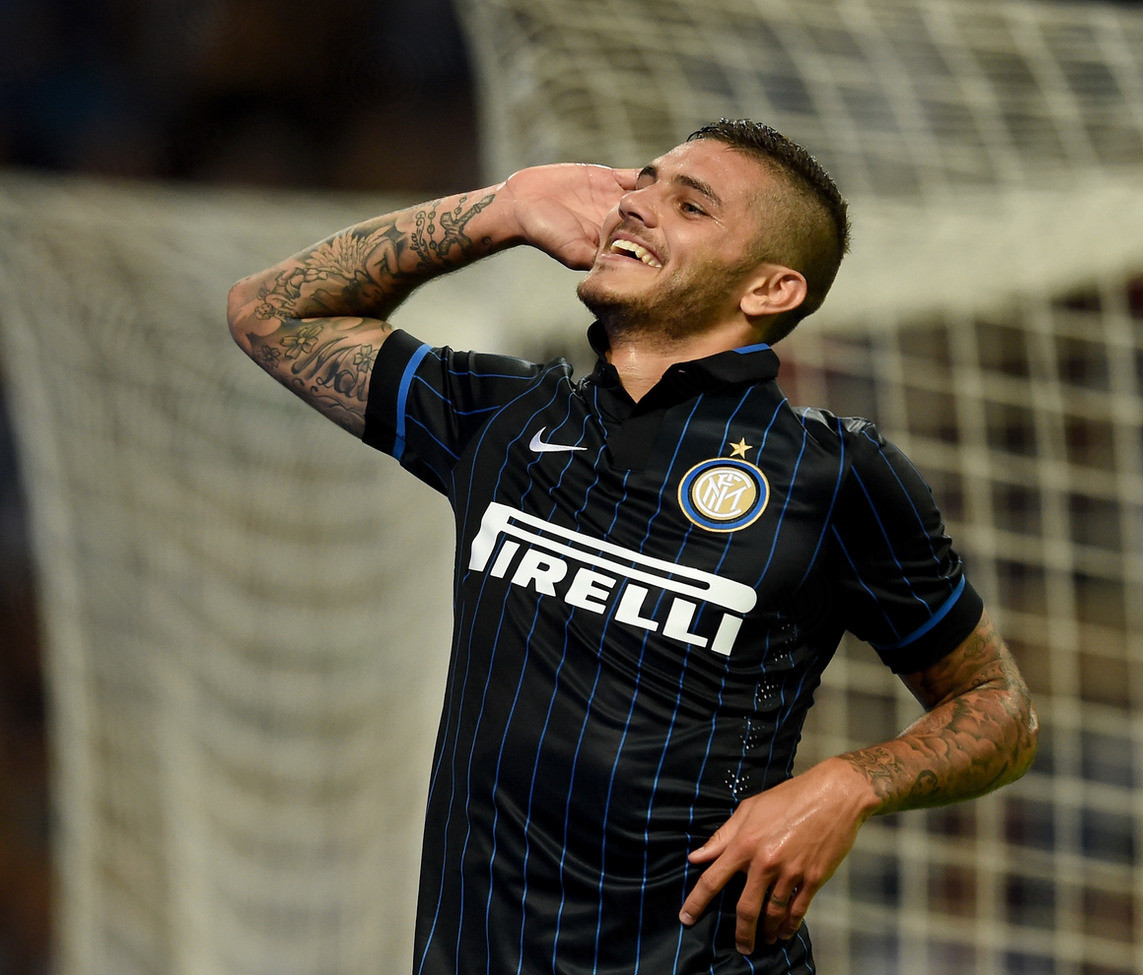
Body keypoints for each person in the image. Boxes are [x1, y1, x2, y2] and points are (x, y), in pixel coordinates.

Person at [227, 118, 1038, 974]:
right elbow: (267, 312)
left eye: (690, 205)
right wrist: (504, 209)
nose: (637, 206)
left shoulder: (836, 474)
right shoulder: (503, 416)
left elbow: (1000, 709)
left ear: (770, 288)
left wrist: (851, 783)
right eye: (641, 185)